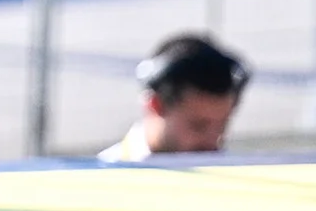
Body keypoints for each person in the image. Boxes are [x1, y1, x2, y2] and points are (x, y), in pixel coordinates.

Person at [102, 32, 248, 161]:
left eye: (222, 126)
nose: (213, 142)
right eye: (198, 126)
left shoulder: (237, 182)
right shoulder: (100, 181)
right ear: (155, 105)